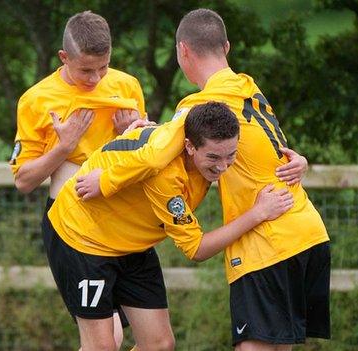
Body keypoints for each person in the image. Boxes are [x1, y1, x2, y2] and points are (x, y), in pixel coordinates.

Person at [75, 9, 330, 351]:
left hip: (269, 241)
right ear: (226, 47)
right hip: (307, 230)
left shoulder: (201, 104)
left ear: (182, 51)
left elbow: (155, 156)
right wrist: (302, 161)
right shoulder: (248, 87)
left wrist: (105, 180)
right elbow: (270, 149)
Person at [45, 101, 294, 351]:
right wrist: (258, 213)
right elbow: (196, 249)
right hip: (83, 239)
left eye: (231, 155)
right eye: (213, 157)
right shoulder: (165, 176)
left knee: (160, 345)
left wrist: (299, 164)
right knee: (102, 347)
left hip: (133, 245)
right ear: (189, 146)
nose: (223, 166)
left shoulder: (193, 133)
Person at [8, 10, 146, 349]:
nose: (96, 78)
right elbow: (23, 181)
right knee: (106, 339)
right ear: (64, 57)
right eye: (86, 69)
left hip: (122, 221)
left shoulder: (126, 86)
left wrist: (127, 134)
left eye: (104, 67)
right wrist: (63, 147)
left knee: (154, 339)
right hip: (71, 223)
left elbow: (144, 156)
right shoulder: (37, 100)